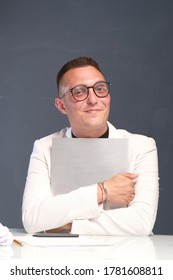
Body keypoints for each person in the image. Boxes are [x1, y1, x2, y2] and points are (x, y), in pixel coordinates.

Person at [22, 56, 159, 235]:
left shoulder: (141, 146)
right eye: (79, 92)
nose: (93, 100)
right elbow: (33, 219)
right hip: (62, 258)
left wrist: (67, 225)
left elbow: (141, 223)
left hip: (125, 258)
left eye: (100, 89)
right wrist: (102, 190)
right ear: (61, 105)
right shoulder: (44, 147)